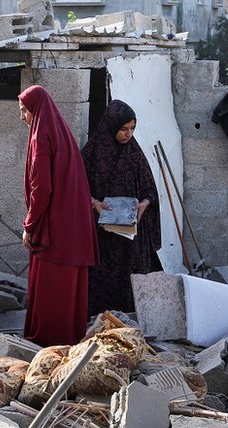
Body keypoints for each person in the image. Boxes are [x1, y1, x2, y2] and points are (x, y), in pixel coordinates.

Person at [18, 85, 98, 346]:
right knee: (69, 291)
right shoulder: (61, 132)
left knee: (52, 291)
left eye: (24, 111)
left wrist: (29, 225)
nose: (22, 118)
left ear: (36, 109)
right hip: (74, 228)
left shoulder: (41, 136)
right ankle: (68, 341)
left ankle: (47, 345)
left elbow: (42, 188)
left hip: (55, 231)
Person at [82, 100, 162, 316]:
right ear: (111, 126)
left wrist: (144, 204)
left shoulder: (134, 154)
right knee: (101, 285)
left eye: (132, 129)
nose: (128, 134)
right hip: (102, 239)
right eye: (123, 129)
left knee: (129, 286)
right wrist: (94, 203)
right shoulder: (92, 153)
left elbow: (150, 192)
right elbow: (76, 189)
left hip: (130, 240)